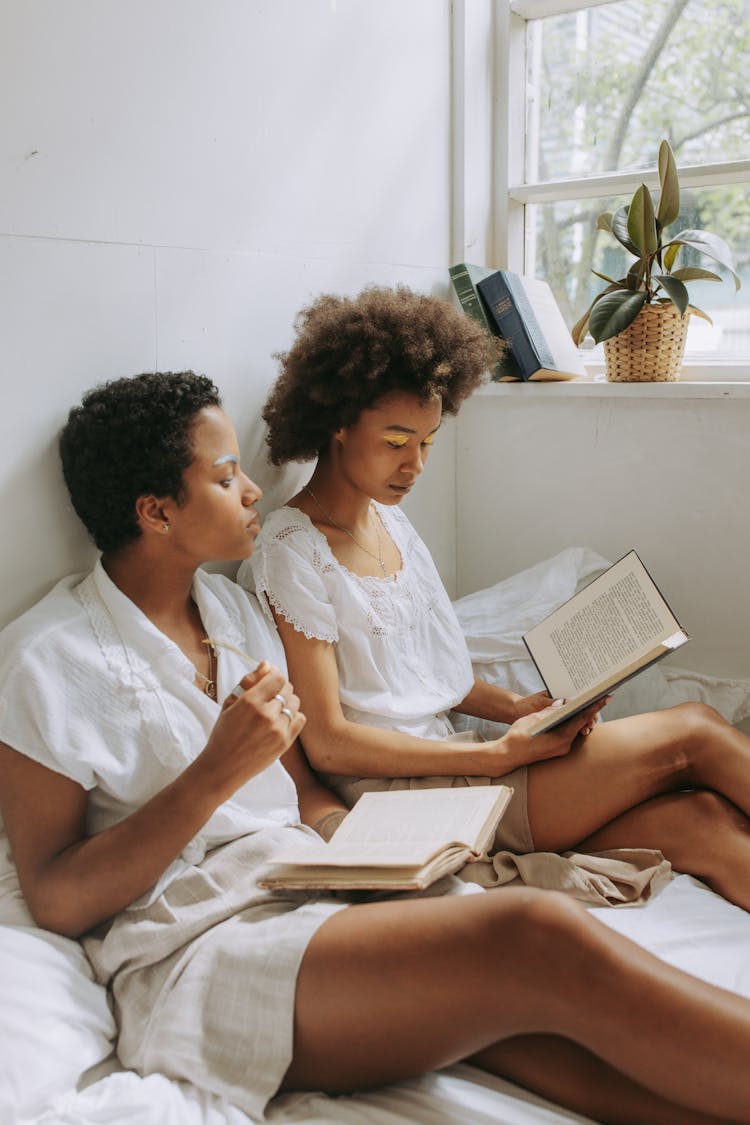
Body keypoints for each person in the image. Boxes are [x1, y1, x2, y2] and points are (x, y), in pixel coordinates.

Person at [5, 374, 750, 1125]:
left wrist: (375, 850)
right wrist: (212, 774)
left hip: (308, 882)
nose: (253, 490)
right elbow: (58, 897)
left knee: (544, 1035)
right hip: (203, 948)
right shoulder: (49, 658)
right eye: (227, 476)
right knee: (535, 931)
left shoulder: (227, 610)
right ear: (155, 510)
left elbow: (303, 791)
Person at [240, 284, 750, 912]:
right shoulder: (292, 549)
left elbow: (423, 673)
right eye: (396, 441)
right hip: (399, 790)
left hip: (459, 755)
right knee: (694, 730)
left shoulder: (389, 520)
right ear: (339, 425)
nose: (416, 464)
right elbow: (328, 743)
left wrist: (519, 708)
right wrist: (494, 758)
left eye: (428, 441)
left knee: (701, 820)